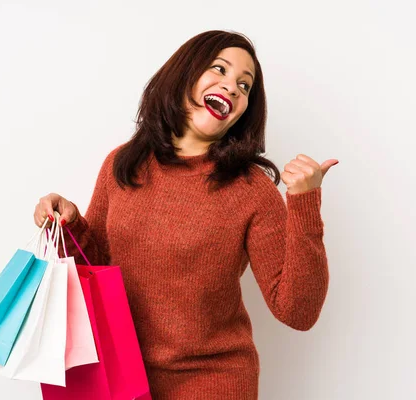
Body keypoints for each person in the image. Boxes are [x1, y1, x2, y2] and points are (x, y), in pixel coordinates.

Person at [33, 29, 339, 400]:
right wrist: (67, 224)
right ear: (183, 74)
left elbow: (298, 311)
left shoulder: (251, 189)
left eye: (245, 86)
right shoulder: (123, 163)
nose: (233, 87)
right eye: (220, 70)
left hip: (212, 382)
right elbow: (97, 268)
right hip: (117, 377)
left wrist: (304, 202)